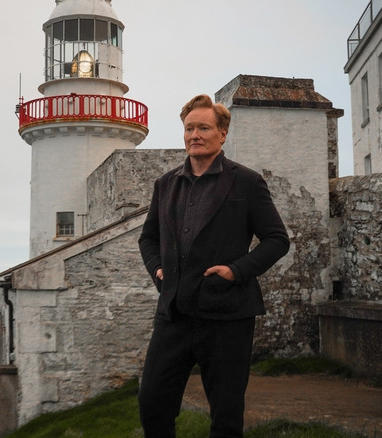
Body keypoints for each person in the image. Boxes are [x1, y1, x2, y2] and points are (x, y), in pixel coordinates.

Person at [137, 94, 290, 437]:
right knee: (152, 404)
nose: (195, 135)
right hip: (173, 313)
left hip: (227, 317)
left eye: (203, 128)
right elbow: (148, 239)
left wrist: (235, 271)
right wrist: (157, 269)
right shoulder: (165, 184)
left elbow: (277, 240)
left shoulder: (248, 182)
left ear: (222, 133)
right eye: (189, 128)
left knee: (226, 416)